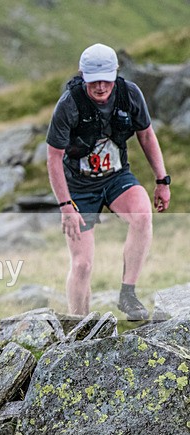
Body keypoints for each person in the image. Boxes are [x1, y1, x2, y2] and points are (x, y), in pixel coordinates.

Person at [46, 43, 171, 321]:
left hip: (116, 178)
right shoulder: (69, 104)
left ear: (115, 73)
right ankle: (78, 327)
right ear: (83, 76)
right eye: (94, 81)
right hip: (79, 187)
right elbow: (53, 157)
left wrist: (162, 180)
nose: (101, 87)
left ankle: (128, 294)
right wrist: (66, 206)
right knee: (82, 265)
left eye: (106, 79)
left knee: (142, 216)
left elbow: (147, 135)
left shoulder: (130, 94)